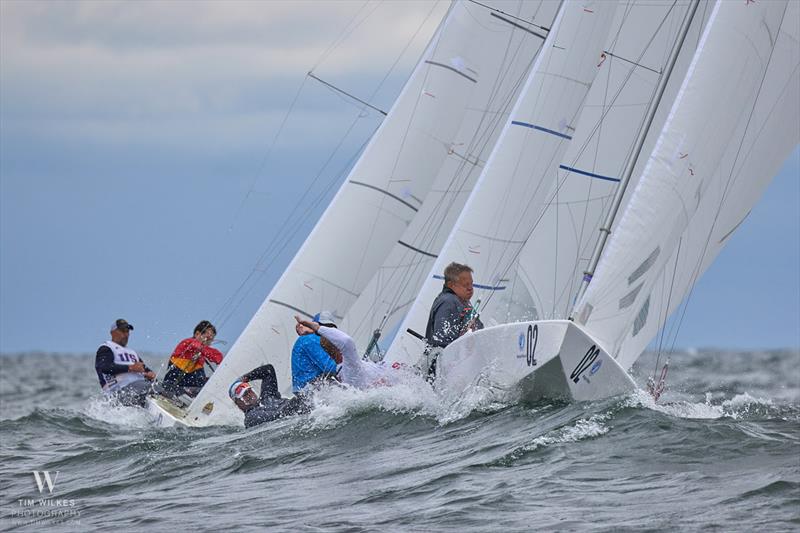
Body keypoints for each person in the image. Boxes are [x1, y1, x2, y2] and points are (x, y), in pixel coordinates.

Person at [294, 316, 400, 390]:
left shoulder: (345, 370)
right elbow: (346, 341)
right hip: (308, 390)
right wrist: (315, 328)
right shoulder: (350, 366)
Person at [424, 262, 484, 377]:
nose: (470, 288)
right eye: (466, 285)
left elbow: (480, 328)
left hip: (455, 367)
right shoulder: (448, 302)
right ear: (452, 285)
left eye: (471, 284)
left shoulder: (464, 302)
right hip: (438, 371)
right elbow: (441, 339)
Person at [95, 318, 155, 407]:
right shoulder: (106, 348)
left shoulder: (132, 352)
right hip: (119, 393)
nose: (126, 334)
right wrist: (130, 368)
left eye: (127, 331)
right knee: (150, 388)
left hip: (140, 389)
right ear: (113, 332)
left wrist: (151, 374)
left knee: (161, 387)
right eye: (123, 331)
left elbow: (144, 369)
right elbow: (104, 367)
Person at [229, 364, 312, 428]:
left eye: (249, 391)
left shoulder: (267, 396)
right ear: (238, 404)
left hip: (306, 407)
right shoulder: (250, 418)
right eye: (244, 395)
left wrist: (246, 378)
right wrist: (299, 399)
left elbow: (268, 370)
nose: (249, 395)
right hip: (303, 415)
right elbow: (279, 415)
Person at [161, 320, 224, 397]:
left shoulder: (203, 352)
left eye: (211, 339)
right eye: (207, 338)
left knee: (208, 382)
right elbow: (198, 347)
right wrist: (211, 354)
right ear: (197, 334)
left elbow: (219, 357)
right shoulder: (188, 342)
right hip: (175, 376)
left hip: (189, 380)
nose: (209, 341)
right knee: (170, 385)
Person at [290, 311, 339, 393]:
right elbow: (330, 368)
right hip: (307, 391)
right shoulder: (311, 339)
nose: (326, 329)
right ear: (314, 326)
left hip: (304, 390)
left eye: (330, 327)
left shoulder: (311, 339)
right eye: (323, 326)